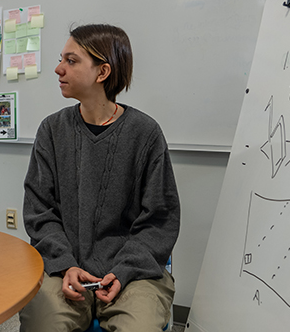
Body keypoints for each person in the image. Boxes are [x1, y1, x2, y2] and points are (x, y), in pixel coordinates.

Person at [19, 24, 181, 331]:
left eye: (71, 60)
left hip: (133, 273)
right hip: (62, 269)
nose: (58, 69)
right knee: (43, 324)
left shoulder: (144, 133)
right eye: (60, 59)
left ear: (102, 72)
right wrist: (65, 264)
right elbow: (40, 212)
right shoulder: (52, 131)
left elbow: (159, 220)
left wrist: (123, 270)